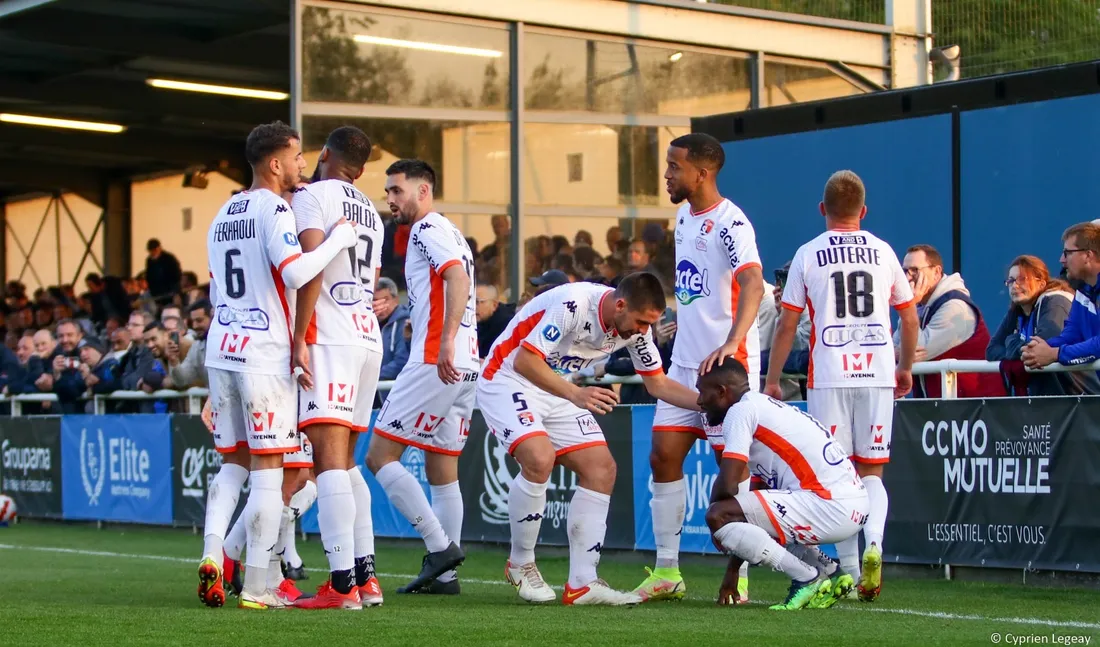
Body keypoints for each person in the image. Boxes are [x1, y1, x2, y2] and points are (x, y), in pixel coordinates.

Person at [197, 120, 357, 611]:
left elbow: (214, 289)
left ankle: (212, 554)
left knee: (231, 465)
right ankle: (257, 585)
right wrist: (337, 240)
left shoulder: (222, 213)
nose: (302, 166)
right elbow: (295, 271)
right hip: (264, 353)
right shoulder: (275, 210)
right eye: (296, 157)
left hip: (221, 348)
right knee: (269, 471)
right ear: (274, 163)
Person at [479, 273, 701, 605]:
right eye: (641, 322)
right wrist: (576, 394)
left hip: (557, 387)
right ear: (621, 305)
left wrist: (711, 405)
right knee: (540, 459)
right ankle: (520, 563)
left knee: (602, 469)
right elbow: (526, 360)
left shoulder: (637, 332)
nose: (644, 332)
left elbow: (658, 385)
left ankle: (582, 583)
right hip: (507, 378)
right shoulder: (574, 305)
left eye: (650, 325)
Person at [763, 170, 918, 602]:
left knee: (835, 477)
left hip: (829, 373)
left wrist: (773, 380)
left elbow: (787, 322)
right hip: (877, 371)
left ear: (822, 210)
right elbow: (908, 316)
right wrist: (904, 367)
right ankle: (876, 546)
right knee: (872, 471)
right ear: (863, 211)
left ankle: (850, 573)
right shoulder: (883, 252)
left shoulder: (808, 254)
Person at [635, 133, 764, 603]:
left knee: (731, 475)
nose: (667, 174)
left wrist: (732, 341)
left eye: (674, 166)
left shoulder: (733, 223)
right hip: (686, 363)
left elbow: (752, 282)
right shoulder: (684, 214)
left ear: (701, 173)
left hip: (725, 373)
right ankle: (668, 571)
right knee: (663, 456)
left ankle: (741, 575)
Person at [365, 159, 477, 595]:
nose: (390, 200)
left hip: (436, 359)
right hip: (466, 362)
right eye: (388, 192)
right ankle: (445, 578)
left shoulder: (428, 229)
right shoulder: (449, 230)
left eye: (397, 190)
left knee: (378, 456)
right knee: (441, 468)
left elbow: (456, 278)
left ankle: (440, 548)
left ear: (423, 190)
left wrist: (444, 339)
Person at [288, 126, 386, 610]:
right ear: (362, 169)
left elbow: (309, 270)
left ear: (323, 154)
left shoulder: (312, 196)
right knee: (346, 464)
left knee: (326, 461)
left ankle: (342, 585)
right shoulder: (372, 209)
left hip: (330, 335)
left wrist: (297, 338)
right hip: (368, 335)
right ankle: (367, 579)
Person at [699, 358, 869, 611]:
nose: (699, 401)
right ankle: (829, 572)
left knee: (718, 515)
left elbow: (728, 484)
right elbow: (754, 512)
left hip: (829, 504)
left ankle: (806, 577)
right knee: (744, 515)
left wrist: (717, 524)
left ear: (723, 392)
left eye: (703, 392)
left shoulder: (740, 412)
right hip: (853, 505)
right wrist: (733, 568)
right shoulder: (765, 406)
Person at [896, 244, 1003, 398]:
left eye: (914, 270)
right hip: (940, 408)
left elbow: (915, 348)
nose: (907, 277)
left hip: (976, 409)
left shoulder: (956, 307)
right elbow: (895, 348)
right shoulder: (920, 305)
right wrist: (899, 352)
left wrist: (909, 307)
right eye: (905, 271)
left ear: (937, 272)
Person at [988, 255, 1099, 395]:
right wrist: (1019, 350)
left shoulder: (1056, 301)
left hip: (1078, 398)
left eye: (1022, 279)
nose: (1015, 285)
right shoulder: (1017, 309)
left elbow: (1044, 346)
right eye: (1011, 280)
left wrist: (1011, 341)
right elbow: (992, 350)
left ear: (1041, 283)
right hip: (1047, 401)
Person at [1023, 223, 1100, 376]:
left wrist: (1055, 354)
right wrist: (1037, 350)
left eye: (1067, 253)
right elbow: (1072, 335)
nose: (1061, 260)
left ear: (1088, 256)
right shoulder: (1083, 291)